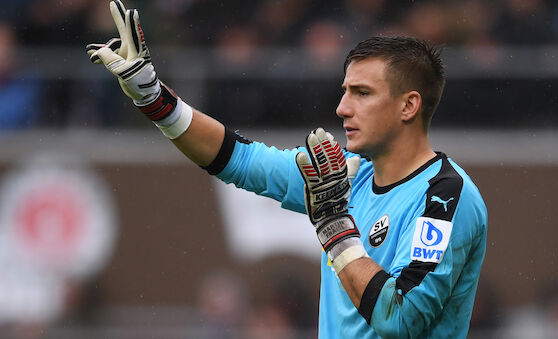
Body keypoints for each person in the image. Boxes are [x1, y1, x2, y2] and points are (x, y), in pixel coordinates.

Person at [86, 1, 488, 338]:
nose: (342, 107)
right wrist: (155, 99)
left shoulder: (445, 197)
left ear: (408, 105)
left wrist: (334, 226)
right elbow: (239, 159)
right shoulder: (347, 176)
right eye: (344, 91)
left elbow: (399, 318)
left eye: (362, 93)